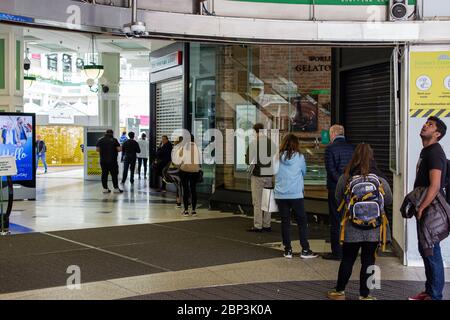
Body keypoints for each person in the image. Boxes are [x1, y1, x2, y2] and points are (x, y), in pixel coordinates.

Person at [327, 143, 392, 301]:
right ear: (372, 157)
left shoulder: (347, 176)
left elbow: (338, 197)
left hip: (351, 226)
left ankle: (339, 291)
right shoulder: (379, 178)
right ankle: (365, 294)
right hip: (374, 227)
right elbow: (388, 199)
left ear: (354, 157)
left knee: (348, 259)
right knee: (369, 260)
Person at [408, 116, 447, 301]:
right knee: (426, 250)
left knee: (432, 252)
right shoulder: (427, 151)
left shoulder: (434, 153)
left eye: (430, 125)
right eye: (426, 123)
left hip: (431, 210)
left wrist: (422, 207)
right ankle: (429, 291)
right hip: (426, 208)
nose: (425, 125)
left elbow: (435, 185)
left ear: (437, 134)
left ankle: (436, 295)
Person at [274, 133, 319, 259]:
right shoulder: (299, 157)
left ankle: (287, 250)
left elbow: (273, 171)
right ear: (296, 144)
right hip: (296, 195)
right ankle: (305, 249)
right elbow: (303, 172)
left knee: (285, 222)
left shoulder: (277, 157)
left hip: (280, 195)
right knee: (301, 222)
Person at [323, 124, 354, 260]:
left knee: (335, 219)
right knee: (347, 219)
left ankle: (337, 252)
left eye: (330, 134)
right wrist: (348, 183)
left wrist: (340, 183)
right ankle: (348, 250)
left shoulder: (330, 149)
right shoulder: (352, 148)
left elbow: (330, 169)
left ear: (333, 134)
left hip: (335, 188)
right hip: (351, 189)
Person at [245, 123, 275, 232]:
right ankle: (267, 224)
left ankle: (258, 225)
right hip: (269, 175)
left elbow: (248, 160)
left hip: (258, 175)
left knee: (257, 201)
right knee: (267, 201)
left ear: (255, 131)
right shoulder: (271, 143)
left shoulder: (254, 143)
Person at [177, 134, 201, 216]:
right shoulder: (197, 147)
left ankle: (186, 211)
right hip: (195, 171)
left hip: (185, 170)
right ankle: (194, 211)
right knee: (193, 190)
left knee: (185, 190)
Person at [96, 129, 123, 194]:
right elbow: (119, 149)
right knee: (114, 174)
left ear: (105, 133)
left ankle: (105, 189)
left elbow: (97, 150)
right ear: (112, 133)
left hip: (103, 160)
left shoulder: (100, 140)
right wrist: (121, 147)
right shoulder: (114, 140)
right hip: (112, 160)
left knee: (104, 174)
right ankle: (116, 189)